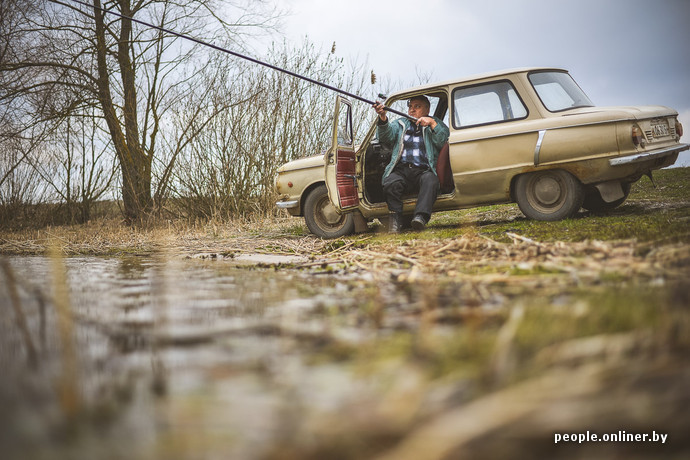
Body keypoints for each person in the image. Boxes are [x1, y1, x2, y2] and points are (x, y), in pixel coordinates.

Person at [373, 96, 450, 232]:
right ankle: (396, 221)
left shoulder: (436, 123)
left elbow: (443, 141)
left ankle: (420, 218)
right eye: (410, 107)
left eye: (417, 107)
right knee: (390, 182)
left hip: (424, 170)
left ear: (427, 109)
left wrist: (432, 123)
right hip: (402, 170)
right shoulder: (401, 124)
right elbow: (385, 137)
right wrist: (383, 117)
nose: (412, 110)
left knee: (431, 180)